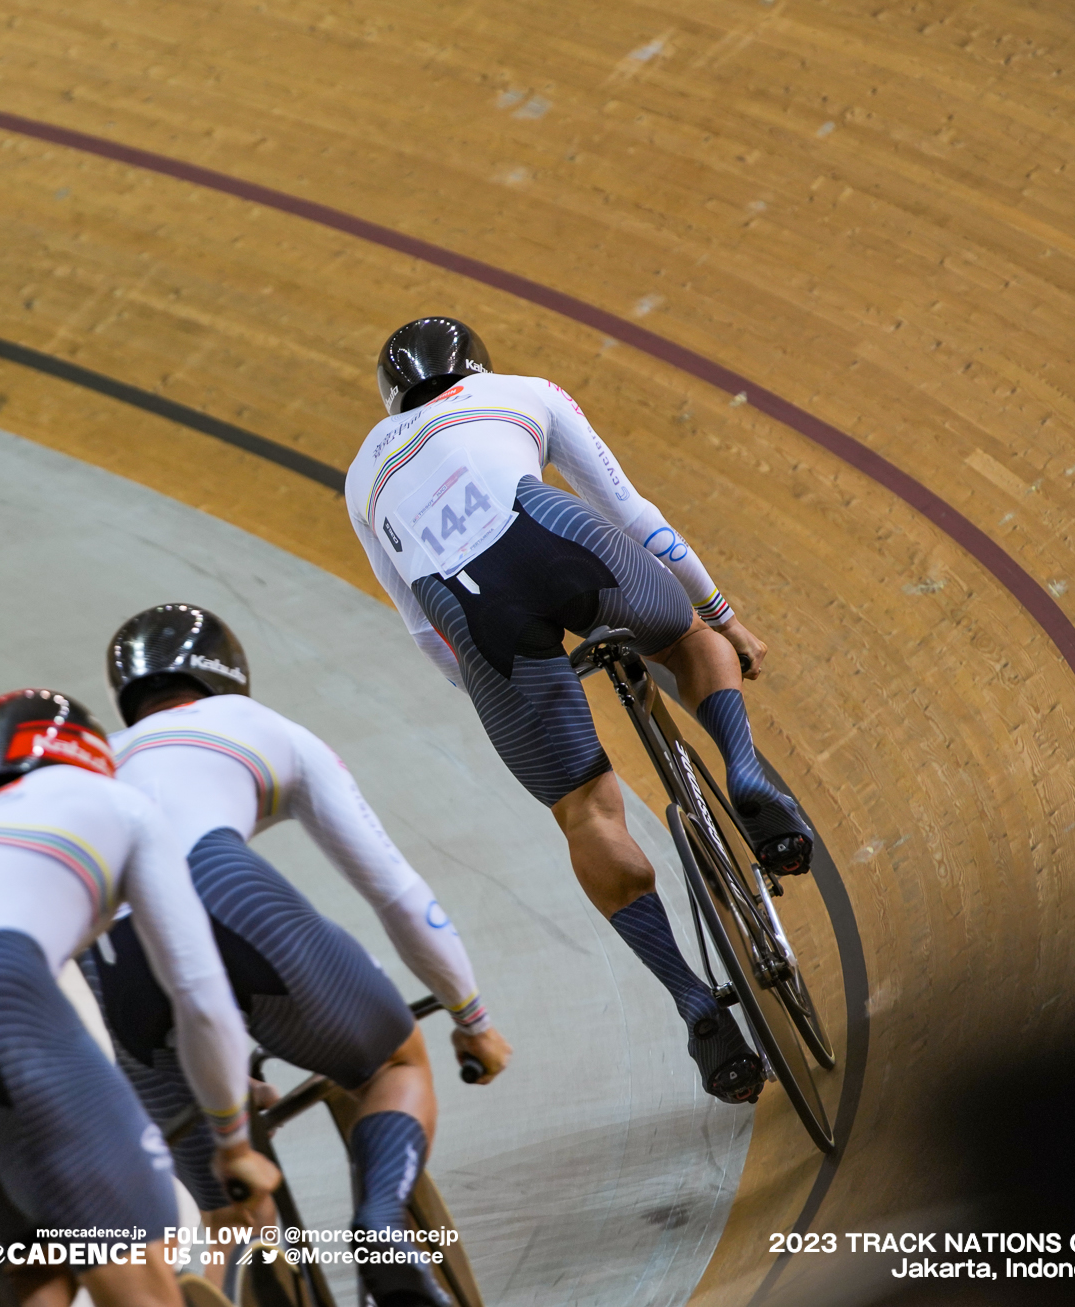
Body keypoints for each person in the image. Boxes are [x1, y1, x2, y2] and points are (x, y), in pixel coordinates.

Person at [345, 316, 817, 1107]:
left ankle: (696, 1003)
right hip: (559, 540)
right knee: (692, 641)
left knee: (585, 812)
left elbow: (423, 630)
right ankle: (742, 769)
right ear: (476, 365)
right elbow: (633, 513)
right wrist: (721, 611)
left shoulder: (363, 473)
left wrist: (509, 701)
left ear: (391, 400)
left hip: (477, 620)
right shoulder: (523, 392)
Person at [82, 604, 513, 1307]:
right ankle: (382, 1228)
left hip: (118, 961)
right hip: (220, 889)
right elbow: (397, 892)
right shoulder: (261, 726)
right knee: (394, 1062)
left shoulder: (94, 766)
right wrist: (473, 1015)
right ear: (232, 675)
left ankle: (210, 1268)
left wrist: (213, 1074)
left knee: (232, 1185)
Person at [0, 688, 279, 1307]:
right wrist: (231, 1138)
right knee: (135, 1267)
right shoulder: (116, 803)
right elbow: (197, 994)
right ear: (92, 755)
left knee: (37, 1272)